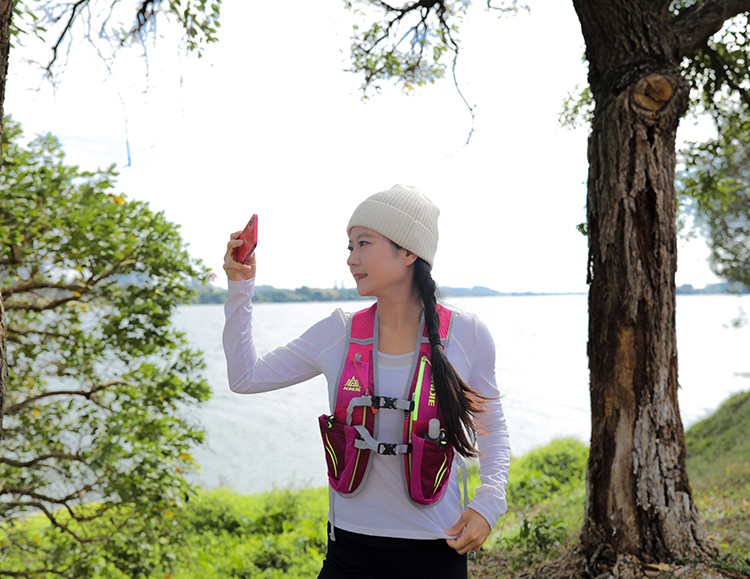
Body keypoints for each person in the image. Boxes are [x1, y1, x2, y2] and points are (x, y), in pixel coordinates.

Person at [223, 185, 511, 579]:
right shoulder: (337, 333)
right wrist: (240, 287)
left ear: (408, 251)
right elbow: (245, 377)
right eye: (349, 247)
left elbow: (491, 425)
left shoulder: (467, 333)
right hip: (349, 553)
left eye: (363, 243)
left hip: (438, 549)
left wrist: (489, 503)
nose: (351, 258)